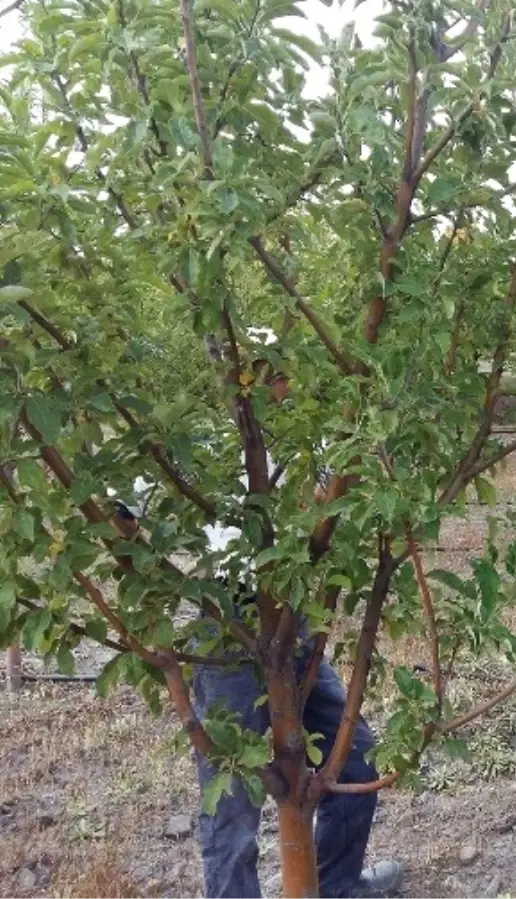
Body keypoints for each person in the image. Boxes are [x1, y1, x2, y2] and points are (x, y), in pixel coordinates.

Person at [118, 359, 404, 899]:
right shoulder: (198, 445)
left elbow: (329, 505)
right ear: (240, 379)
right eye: (269, 375)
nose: (283, 386)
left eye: (283, 375)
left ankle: (336, 886)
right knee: (232, 803)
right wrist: (156, 582)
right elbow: (123, 511)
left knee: (355, 753)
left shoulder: (302, 443)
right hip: (228, 626)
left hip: (291, 620)